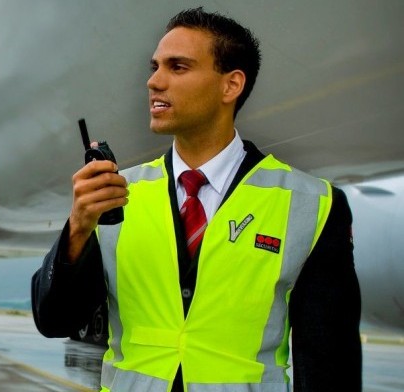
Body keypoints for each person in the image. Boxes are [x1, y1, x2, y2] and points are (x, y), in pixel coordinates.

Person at [31, 7, 361, 392]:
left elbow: (328, 363)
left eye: (178, 67)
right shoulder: (117, 194)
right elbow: (54, 321)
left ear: (231, 85)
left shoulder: (314, 204)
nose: (155, 81)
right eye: (154, 67)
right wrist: (77, 229)